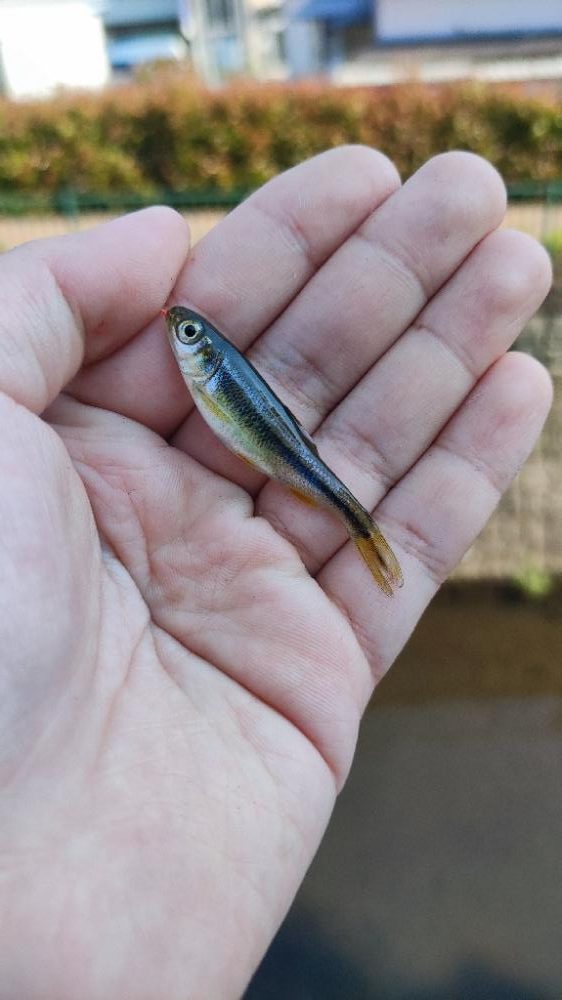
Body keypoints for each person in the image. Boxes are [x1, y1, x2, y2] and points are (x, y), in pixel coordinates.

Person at [0, 147, 552, 998]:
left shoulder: (213, 371)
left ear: (203, 357)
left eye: (191, 338)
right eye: (191, 337)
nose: (185, 343)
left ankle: (364, 531)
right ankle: (365, 533)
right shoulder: (204, 374)